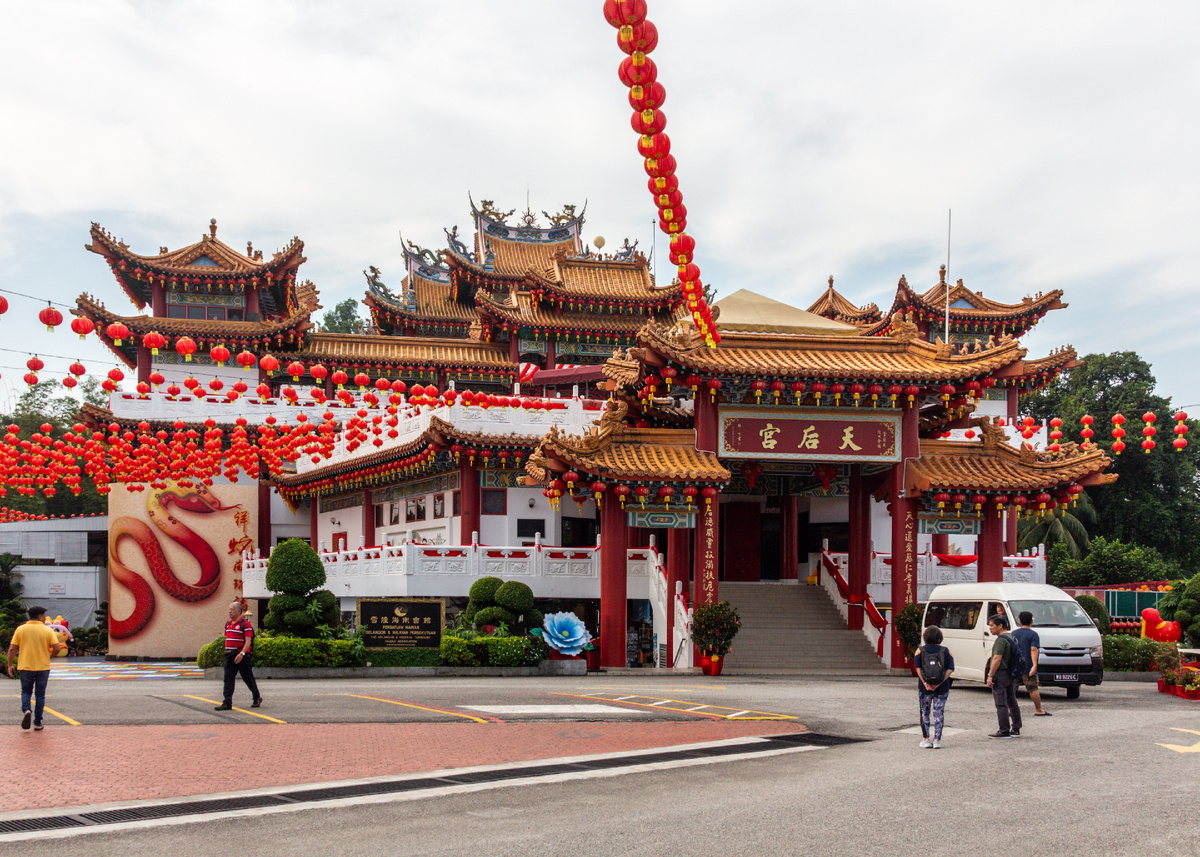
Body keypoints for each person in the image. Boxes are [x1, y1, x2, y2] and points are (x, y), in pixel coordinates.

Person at [6, 606, 63, 731]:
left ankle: (26, 710)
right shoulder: (47, 630)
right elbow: (57, 648)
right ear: (39, 617)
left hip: (25, 666)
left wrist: (10, 665)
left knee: (26, 692)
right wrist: (49, 656)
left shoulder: (21, 629)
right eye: (43, 616)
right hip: (43, 666)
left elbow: (11, 649)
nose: (44, 618)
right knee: (40, 695)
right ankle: (37, 723)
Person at [215, 600, 262, 711]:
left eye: (232, 610)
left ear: (239, 611)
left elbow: (248, 641)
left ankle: (256, 697)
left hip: (241, 656)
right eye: (229, 610)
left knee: (248, 678)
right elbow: (227, 637)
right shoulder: (228, 623)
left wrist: (242, 654)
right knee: (228, 679)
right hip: (229, 656)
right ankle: (227, 702)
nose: (230, 612)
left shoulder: (245, 624)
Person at [915, 625, 954, 749]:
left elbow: (918, 668)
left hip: (924, 688)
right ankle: (937, 740)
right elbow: (951, 669)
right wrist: (939, 683)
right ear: (939, 637)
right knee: (938, 712)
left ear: (925, 637)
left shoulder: (920, 650)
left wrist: (926, 683)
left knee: (925, 712)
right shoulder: (946, 650)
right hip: (942, 688)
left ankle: (926, 739)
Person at [985, 613, 1022, 738]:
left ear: (1000, 626)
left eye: (991, 625)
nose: (990, 628)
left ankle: (1004, 730)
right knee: (1012, 701)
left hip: (1000, 673)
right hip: (1010, 673)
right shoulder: (1011, 637)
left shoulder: (1001, 640)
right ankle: (1016, 728)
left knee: (1001, 703)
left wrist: (990, 675)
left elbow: (996, 659)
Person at [1012, 610, 1050, 716]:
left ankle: (1010, 710)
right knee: (1032, 688)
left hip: (1015, 666)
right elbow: (1033, 649)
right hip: (1027, 665)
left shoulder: (1014, 633)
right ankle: (1038, 709)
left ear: (1019, 621)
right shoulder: (1033, 634)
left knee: (1012, 688)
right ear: (1031, 622)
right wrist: (1034, 665)